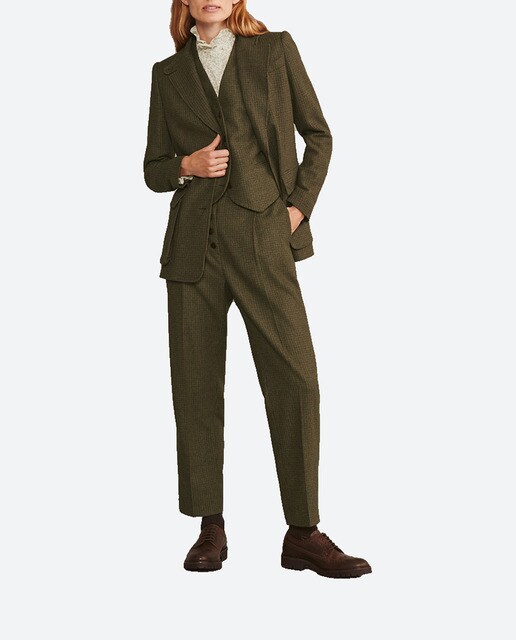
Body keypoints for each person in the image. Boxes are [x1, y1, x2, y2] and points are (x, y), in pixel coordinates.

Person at [143, 0, 372, 579]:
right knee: (196, 385)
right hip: (193, 246)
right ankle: (210, 525)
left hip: (263, 235)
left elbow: (319, 135)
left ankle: (303, 532)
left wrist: (296, 209)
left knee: (296, 379)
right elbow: (152, 169)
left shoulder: (274, 50)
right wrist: (186, 165)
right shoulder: (168, 74)